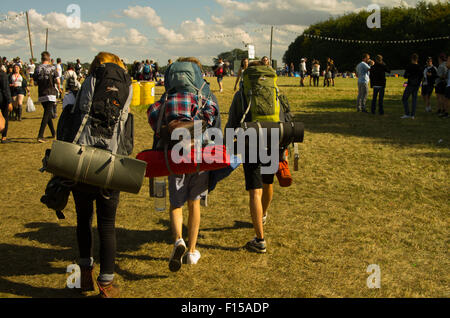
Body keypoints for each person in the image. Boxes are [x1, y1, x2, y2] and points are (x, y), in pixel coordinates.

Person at [66, 52, 132, 298]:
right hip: (110, 162)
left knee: (83, 220)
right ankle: (106, 284)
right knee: (107, 225)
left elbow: (78, 114)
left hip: (81, 159)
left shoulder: (90, 80)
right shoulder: (127, 85)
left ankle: (84, 276)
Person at [147, 57, 220, 271]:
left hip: (174, 155)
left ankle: (178, 240)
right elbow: (213, 118)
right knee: (194, 203)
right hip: (199, 155)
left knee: (176, 203)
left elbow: (153, 116)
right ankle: (192, 251)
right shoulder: (203, 96)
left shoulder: (167, 97)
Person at [33, 51, 62, 143]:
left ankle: (53, 133)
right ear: (49, 59)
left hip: (42, 94)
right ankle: (40, 135)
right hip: (50, 93)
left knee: (48, 113)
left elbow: (35, 82)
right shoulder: (53, 68)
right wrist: (60, 89)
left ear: (41, 59)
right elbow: (57, 81)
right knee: (46, 114)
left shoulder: (38, 68)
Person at [401, 53, 422, 119]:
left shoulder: (409, 66)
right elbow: (421, 76)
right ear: (417, 59)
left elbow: (405, 76)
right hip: (417, 85)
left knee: (404, 98)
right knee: (414, 100)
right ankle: (412, 115)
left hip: (410, 84)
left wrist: (409, 75)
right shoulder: (419, 67)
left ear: (412, 59)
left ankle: (407, 113)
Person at [0, 62, 13, 143]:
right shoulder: (2, 74)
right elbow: (5, 89)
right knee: (5, 117)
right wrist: (9, 101)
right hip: (2, 99)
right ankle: (4, 137)